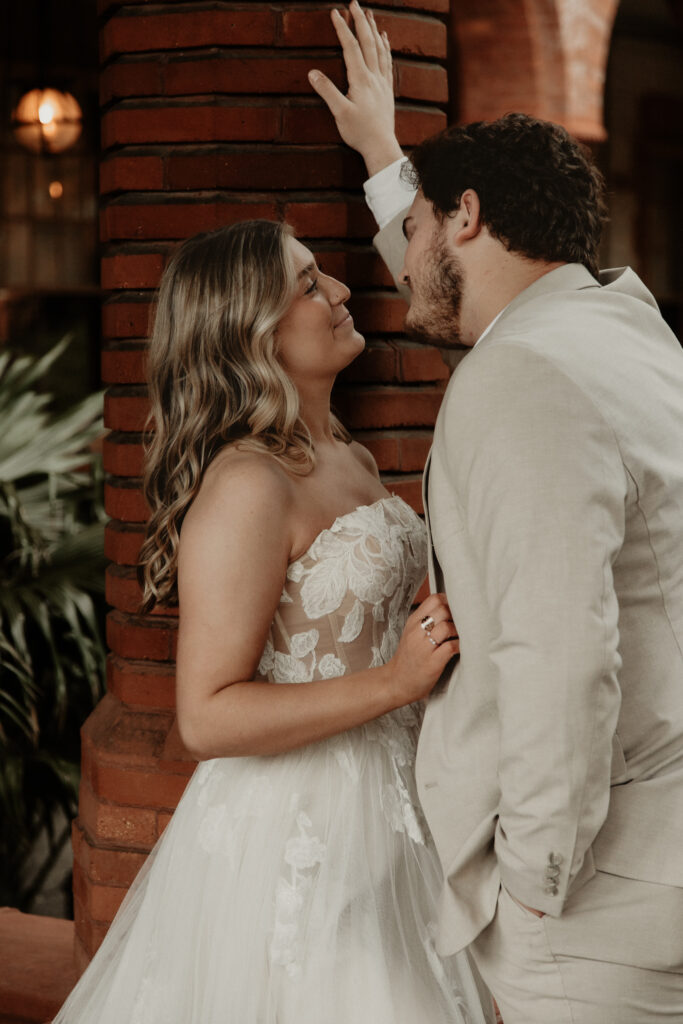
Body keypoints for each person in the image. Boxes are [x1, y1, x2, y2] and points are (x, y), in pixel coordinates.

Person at [308, 3, 683, 1022]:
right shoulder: (623, 331)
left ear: (466, 217)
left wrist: (532, 878)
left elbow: (560, 650)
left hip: (587, 914)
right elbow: (445, 290)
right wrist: (387, 155)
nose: (403, 253)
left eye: (420, 222)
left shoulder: (523, 377)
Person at [53, 218, 494, 1023]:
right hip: (300, 830)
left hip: (398, 808)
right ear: (249, 332)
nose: (340, 291)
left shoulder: (348, 457)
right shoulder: (248, 483)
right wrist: (395, 680)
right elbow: (208, 715)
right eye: (307, 284)